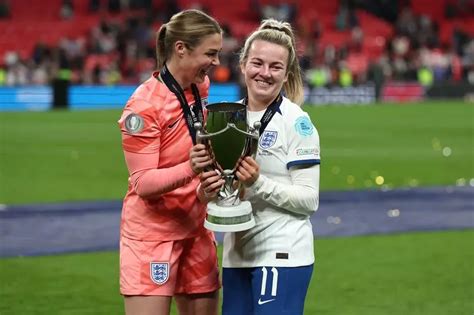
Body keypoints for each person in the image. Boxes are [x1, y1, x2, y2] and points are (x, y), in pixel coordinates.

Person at [199, 18, 321, 315]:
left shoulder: (296, 122)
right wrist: (207, 191)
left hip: (283, 254)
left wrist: (257, 182)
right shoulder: (224, 119)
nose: (264, 73)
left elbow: (309, 200)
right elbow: (220, 194)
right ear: (243, 64)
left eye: (275, 67)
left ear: (287, 72)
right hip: (237, 255)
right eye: (257, 63)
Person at [117, 9, 223, 315]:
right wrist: (191, 167)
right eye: (210, 53)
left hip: (197, 226)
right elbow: (143, 183)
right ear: (181, 49)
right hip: (153, 235)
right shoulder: (143, 105)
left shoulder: (199, 87)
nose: (216, 62)